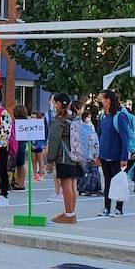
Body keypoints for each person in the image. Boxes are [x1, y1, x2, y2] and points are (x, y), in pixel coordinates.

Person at [96, 89, 135, 216]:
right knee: (107, 181)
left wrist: (124, 157)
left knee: (119, 182)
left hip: (117, 156)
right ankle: (106, 207)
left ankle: (119, 208)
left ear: (108, 100)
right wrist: (98, 154)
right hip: (104, 155)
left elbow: (125, 138)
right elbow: (100, 136)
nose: (99, 100)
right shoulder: (102, 116)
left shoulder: (120, 116)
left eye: (101, 98)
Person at [46, 93, 79, 224]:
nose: (54, 105)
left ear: (59, 104)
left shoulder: (60, 120)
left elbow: (54, 141)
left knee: (66, 185)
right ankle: (71, 212)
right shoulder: (75, 118)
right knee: (72, 185)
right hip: (75, 156)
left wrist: (49, 160)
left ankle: (69, 215)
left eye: (55, 102)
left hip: (64, 156)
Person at [11, 104, 29, 190]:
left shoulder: (15, 123)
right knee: (20, 165)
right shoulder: (27, 122)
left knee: (19, 165)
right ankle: (19, 182)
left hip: (17, 146)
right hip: (22, 146)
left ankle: (20, 183)